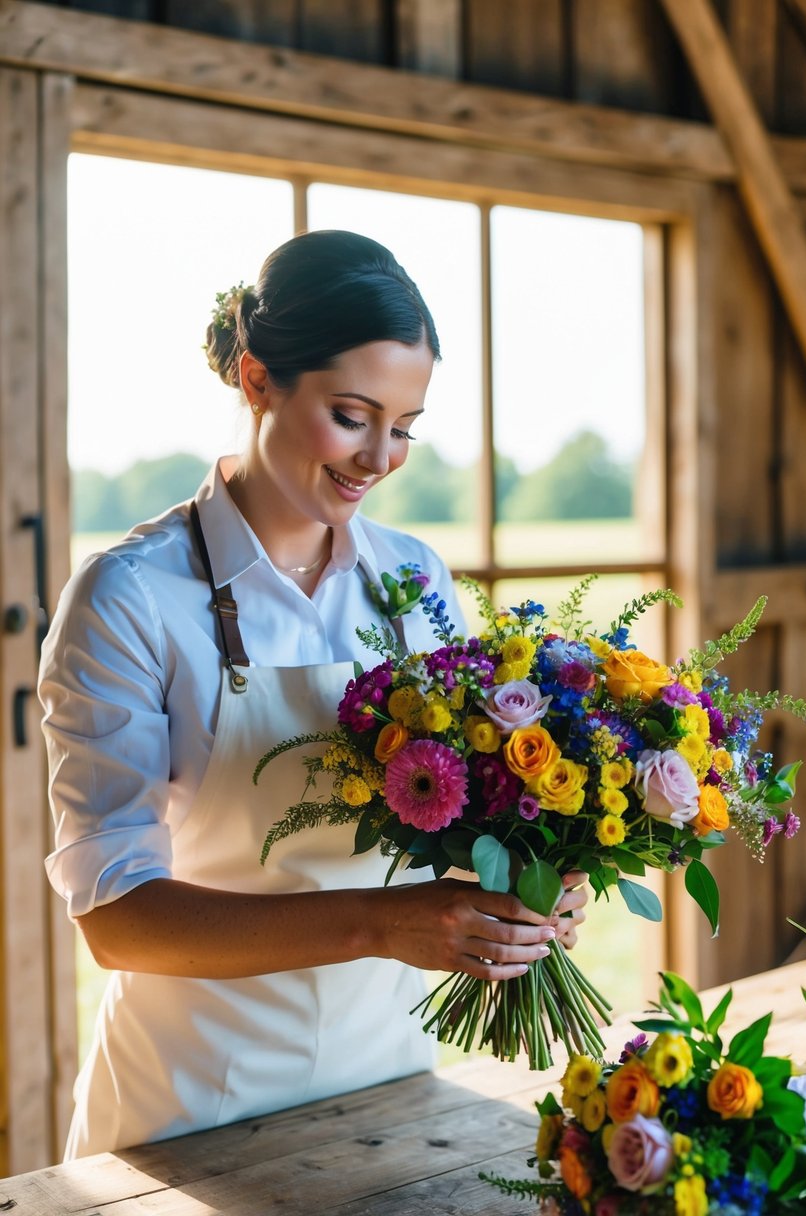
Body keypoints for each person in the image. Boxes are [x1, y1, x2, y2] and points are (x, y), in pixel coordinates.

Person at [40, 229, 588, 1159]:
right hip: (193, 1103)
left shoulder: (415, 579)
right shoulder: (130, 596)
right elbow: (119, 921)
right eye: (351, 413)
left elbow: (475, 813)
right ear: (256, 380)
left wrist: (539, 884)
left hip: (399, 1086)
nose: (380, 455)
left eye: (406, 426)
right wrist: (385, 922)